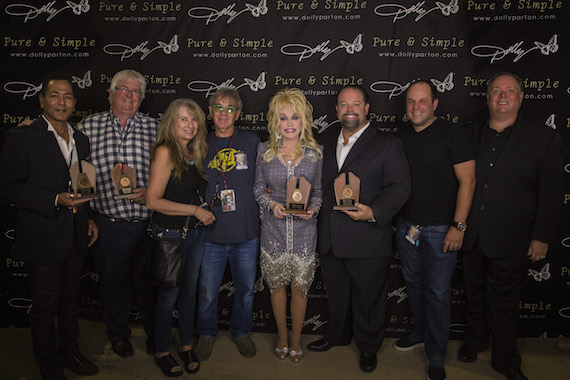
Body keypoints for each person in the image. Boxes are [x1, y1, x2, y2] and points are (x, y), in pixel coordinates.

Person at [458, 73, 564, 380]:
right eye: (495, 91)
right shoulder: (469, 133)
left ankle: (505, 360)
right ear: (487, 97)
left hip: (513, 238)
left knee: (504, 305)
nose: (501, 96)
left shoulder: (544, 138)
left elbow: (552, 194)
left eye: (509, 91)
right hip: (473, 235)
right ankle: (474, 341)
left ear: (520, 97)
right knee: (474, 296)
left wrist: (541, 237)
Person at [0, 77, 99, 379]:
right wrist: (54, 199)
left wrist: (90, 217)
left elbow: (83, 183)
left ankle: (70, 352)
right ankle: (50, 366)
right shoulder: (23, 136)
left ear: (74, 104)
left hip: (75, 234)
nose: (61, 102)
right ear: (41, 100)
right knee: (45, 305)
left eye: (67, 97)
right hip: (43, 235)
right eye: (54, 96)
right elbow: (8, 188)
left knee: (71, 298)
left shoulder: (80, 139)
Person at [308, 85, 411, 373]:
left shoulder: (387, 144)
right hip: (330, 236)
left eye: (356, 104)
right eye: (343, 104)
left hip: (366, 237)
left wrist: (374, 212)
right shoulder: (324, 139)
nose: (349, 109)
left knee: (369, 300)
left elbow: (400, 186)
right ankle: (337, 334)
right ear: (337, 110)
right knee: (336, 295)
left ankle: (368, 346)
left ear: (367, 108)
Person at [394, 80, 476, 380]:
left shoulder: (454, 134)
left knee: (439, 292)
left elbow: (468, 181)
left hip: (442, 228)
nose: (416, 107)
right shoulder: (401, 135)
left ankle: (437, 352)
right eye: (411, 102)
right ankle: (419, 332)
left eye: (422, 101)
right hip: (407, 225)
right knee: (413, 284)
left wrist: (459, 226)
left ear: (435, 104)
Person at [76, 69, 158, 358]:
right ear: (110, 93)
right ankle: (118, 334)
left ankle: (155, 336)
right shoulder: (88, 126)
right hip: (107, 223)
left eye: (136, 92)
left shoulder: (155, 128)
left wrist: (152, 190)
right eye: (123, 89)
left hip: (149, 223)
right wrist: (85, 216)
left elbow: (172, 172)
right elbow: (79, 176)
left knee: (151, 287)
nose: (129, 95)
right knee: (113, 286)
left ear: (142, 99)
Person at [146, 98, 216, 376]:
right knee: (169, 295)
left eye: (194, 119)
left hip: (195, 234)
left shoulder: (194, 150)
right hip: (170, 234)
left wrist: (201, 210)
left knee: (189, 293)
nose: (190, 124)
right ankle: (163, 350)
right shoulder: (165, 151)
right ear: (172, 123)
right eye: (183, 119)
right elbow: (153, 201)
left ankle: (185, 345)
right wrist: (195, 210)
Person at [253, 88, 323, 363]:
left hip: (305, 233)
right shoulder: (264, 151)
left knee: (300, 288)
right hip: (273, 230)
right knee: (277, 286)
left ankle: (296, 339)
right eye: (283, 118)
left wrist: (314, 208)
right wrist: (271, 205)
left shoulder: (316, 153)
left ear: (304, 119)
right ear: (275, 121)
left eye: (295, 116)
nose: (290, 123)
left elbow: (317, 191)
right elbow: (258, 187)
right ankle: (282, 336)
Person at [194, 87, 261, 360]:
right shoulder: (199, 143)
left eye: (229, 108)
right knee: (208, 292)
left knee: (245, 291)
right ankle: (206, 334)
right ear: (210, 112)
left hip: (246, 233)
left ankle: (241, 331)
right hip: (211, 233)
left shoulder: (253, 141)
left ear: (238, 113)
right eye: (218, 108)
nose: (223, 113)